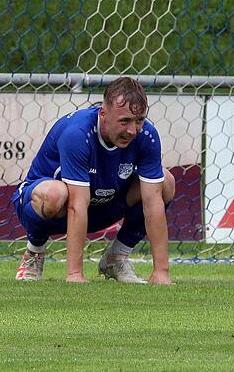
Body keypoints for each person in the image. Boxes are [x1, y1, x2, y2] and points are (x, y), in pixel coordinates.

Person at [11, 77, 174, 284]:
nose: (133, 130)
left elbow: (153, 203)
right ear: (103, 114)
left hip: (103, 205)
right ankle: (34, 252)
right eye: (124, 121)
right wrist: (74, 275)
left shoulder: (147, 136)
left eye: (139, 120)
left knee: (165, 182)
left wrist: (161, 272)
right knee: (54, 194)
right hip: (55, 207)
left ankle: (117, 257)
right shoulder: (77, 133)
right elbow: (77, 206)